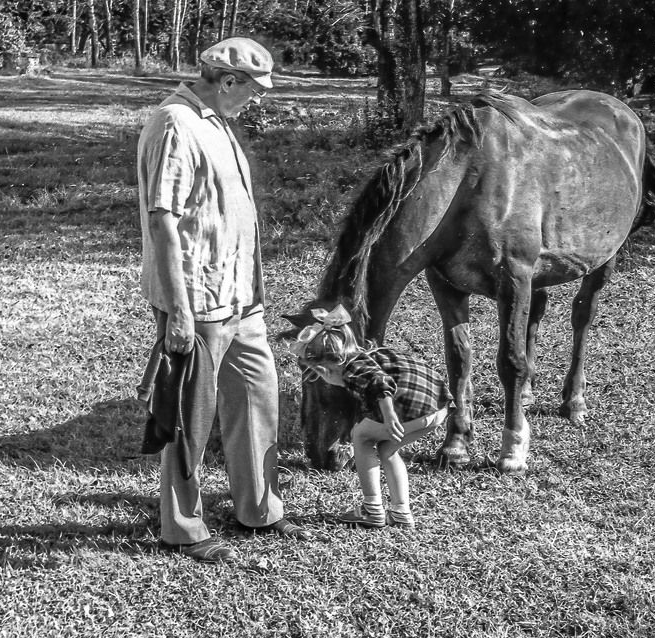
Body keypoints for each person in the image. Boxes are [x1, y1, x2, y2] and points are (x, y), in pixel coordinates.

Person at [135, 36, 311, 564]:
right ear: (228, 81)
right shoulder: (174, 123)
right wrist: (180, 308)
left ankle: (259, 510)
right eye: (254, 89)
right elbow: (162, 219)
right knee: (190, 416)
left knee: (259, 399)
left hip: (240, 295)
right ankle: (183, 529)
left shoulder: (217, 121)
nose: (258, 98)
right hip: (200, 298)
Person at [292, 306, 453, 529]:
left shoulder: (352, 368)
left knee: (361, 436)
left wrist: (389, 417)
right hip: (438, 406)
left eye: (318, 373)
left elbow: (380, 383)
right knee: (387, 449)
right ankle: (401, 512)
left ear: (325, 369)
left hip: (413, 406)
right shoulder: (366, 355)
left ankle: (372, 509)